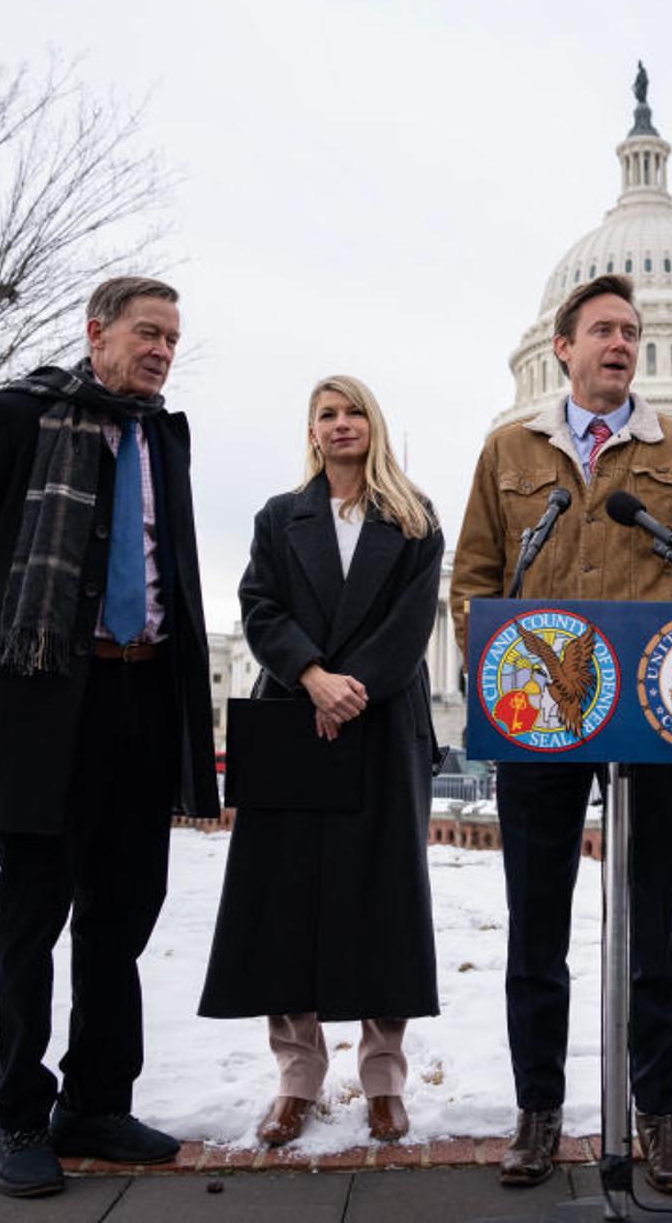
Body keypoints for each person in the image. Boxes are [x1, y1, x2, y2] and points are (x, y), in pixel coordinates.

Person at [0, 276, 217, 1199]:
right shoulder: (18, 416)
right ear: (97, 333)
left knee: (121, 919)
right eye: (147, 332)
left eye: (173, 337)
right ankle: (21, 1115)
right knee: (32, 920)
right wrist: (23, 645)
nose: (163, 350)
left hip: (144, 697)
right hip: (50, 705)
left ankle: (96, 1101)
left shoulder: (164, 434)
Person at [450, 274, 672, 1194]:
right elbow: (474, 582)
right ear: (563, 348)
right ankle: (539, 1111)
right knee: (537, 922)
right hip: (541, 711)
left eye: (632, 332)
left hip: (649, 718)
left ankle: (660, 1115)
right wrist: (502, 663)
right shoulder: (508, 450)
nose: (620, 343)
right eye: (603, 330)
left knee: (659, 923)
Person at [198, 374, 443, 1149]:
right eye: (326, 414)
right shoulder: (280, 517)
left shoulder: (413, 519)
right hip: (293, 718)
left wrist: (350, 689)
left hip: (381, 717)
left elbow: (409, 626)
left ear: (375, 424)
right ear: (311, 432)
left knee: (385, 902)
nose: (341, 425)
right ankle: (296, 1078)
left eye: (353, 412)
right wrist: (313, 677)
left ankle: (383, 1078)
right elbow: (259, 607)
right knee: (286, 904)